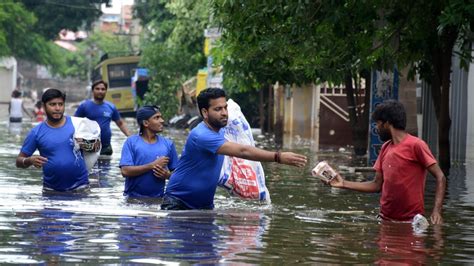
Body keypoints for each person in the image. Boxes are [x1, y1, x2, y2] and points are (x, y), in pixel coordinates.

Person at [162, 88, 308, 210]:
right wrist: (278, 157)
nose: (224, 112)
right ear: (205, 113)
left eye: (225, 107)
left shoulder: (219, 129)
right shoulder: (201, 135)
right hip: (178, 202)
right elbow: (242, 151)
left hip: (204, 205)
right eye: (218, 109)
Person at [325, 100, 446, 224]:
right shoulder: (385, 148)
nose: (377, 128)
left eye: (378, 124)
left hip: (411, 222)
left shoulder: (416, 145)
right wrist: (343, 183)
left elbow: (440, 177)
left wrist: (437, 211)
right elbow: (377, 185)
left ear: (387, 123)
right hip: (385, 221)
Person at [15, 89, 90, 192]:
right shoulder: (36, 132)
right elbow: (19, 161)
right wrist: (30, 160)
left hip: (80, 188)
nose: (57, 108)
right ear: (44, 106)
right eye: (53, 104)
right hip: (51, 191)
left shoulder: (77, 125)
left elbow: (96, 148)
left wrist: (87, 144)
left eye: (60, 104)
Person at [119, 105, 179, 198]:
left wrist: (167, 175)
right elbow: (125, 171)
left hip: (158, 199)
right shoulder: (131, 142)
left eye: (161, 117)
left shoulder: (168, 144)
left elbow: (178, 175)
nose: (162, 120)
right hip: (132, 199)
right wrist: (152, 165)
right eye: (157, 118)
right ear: (146, 123)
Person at [74, 80, 131, 155]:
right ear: (92, 90)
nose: (100, 91)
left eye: (103, 89)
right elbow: (74, 123)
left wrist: (130, 137)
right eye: (97, 89)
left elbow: (120, 123)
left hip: (106, 147)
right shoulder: (84, 106)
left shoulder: (111, 107)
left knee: (107, 166)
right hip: (88, 147)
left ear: (106, 91)